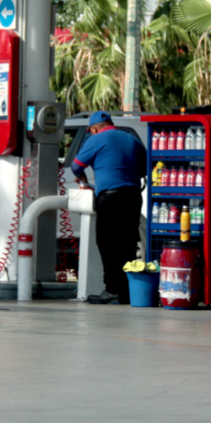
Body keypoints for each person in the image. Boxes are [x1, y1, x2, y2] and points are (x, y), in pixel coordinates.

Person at [70, 112, 148, 304]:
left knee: (107, 243)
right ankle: (128, 290)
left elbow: (76, 166)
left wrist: (82, 178)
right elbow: (145, 168)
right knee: (128, 243)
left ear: (95, 129)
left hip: (110, 198)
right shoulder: (132, 140)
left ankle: (112, 289)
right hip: (132, 197)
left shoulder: (96, 140)